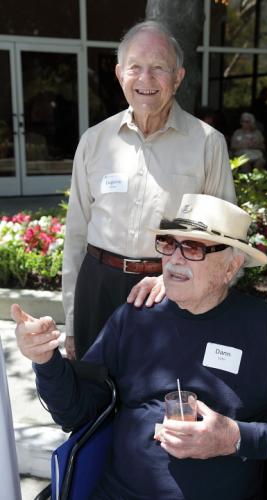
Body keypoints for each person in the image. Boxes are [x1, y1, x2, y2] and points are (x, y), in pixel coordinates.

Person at [13, 193, 267, 500]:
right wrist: (45, 361)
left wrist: (234, 437)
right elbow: (75, 412)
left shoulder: (265, 328)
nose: (174, 259)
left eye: (192, 248)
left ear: (231, 267)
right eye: (169, 244)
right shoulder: (136, 317)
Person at [62, 21, 236, 361]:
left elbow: (225, 240)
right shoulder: (95, 141)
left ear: (178, 77)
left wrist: (179, 282)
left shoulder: (207, 144)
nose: (145, 79)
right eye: (135, 68)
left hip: (168, 288)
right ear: (119, 73)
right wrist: (71, 321)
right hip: (98, 287)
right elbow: (76, 235)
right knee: (93, 397)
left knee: (161, 401)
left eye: (158, 68)